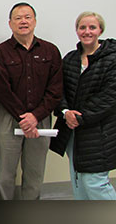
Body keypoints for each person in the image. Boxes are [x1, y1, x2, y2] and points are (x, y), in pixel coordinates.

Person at [0, 2, 63, 200]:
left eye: (27, 17)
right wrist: (24, 117)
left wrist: (35, 116)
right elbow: (3, 90)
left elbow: (55, 90)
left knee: (34, 173)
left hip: (41, 118)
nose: (23, 21)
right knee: (6, 175)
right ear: (10, 23)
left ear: (35, 21)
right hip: (9, 118)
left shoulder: (51, 51)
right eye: (18, 18)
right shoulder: (0, 52)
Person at [50, 11, 116, 200]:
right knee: (78, 183)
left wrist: (80, 117)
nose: (87, 31)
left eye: (92, 27)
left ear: (100, 30)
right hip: (72, 131)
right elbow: (58, 90)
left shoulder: (112, 59)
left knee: (95, 183)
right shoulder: (70, 59)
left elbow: (109, 97)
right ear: (77, 30)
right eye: (82, 27)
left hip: (99, 131)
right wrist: (65, 112)